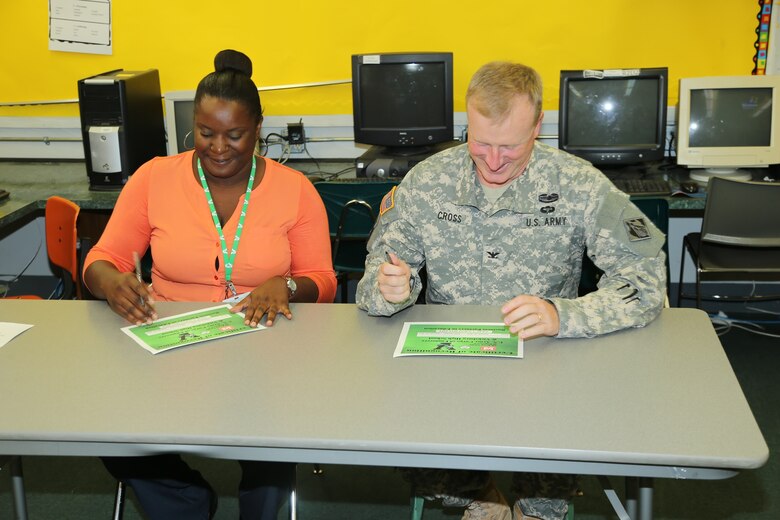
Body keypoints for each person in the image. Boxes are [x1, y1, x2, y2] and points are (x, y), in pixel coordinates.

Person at [355, 61, 667, 520]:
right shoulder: (427, 181)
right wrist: (392, 288)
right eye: (480, 144)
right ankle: (484, 498)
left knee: (548, 483)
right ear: (467, 121)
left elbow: (646, 281)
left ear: (539, 125)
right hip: (448, 368)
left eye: (511, 147)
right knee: (410, 447)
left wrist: (565, 316)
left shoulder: (578, 184)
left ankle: (531, 506)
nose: (494, 161)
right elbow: (374, 280)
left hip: (542, 363)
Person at [83, 49, 337, 520]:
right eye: (205, 133)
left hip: (264, 352)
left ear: (258, 128)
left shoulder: (295, 190)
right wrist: (110, 282)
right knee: (106, 428)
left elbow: (324, 280)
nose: (219, 147)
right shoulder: (154, 178)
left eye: (235, 134)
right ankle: (186, 499)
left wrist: (287, 284)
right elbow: (102, 258)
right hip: (170, 348)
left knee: (273, 438)